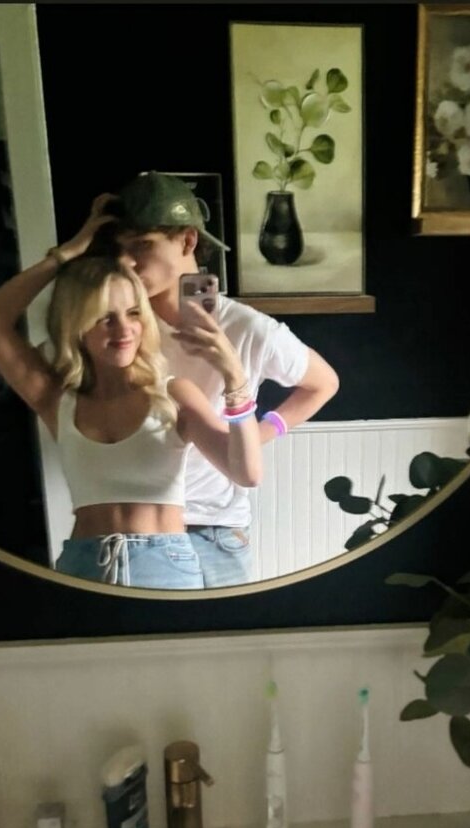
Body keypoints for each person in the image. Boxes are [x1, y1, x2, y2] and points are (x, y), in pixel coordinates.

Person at [0, 196, 262, 590]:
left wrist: (234, 379)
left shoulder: (175, 395)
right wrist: (67, 253)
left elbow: (246, 473)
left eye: (133, 314)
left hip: (167, 565)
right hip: (83, 566)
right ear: (78, 325)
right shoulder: (57, 399)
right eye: (104, 317)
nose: (124, 330)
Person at [111, 171, 340, 587]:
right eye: (120, 247)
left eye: (142, 245)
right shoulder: (119, 326)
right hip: (137, 524)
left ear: (187, 241)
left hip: (213, 529)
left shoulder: (247, 329)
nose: (127, 261)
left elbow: (323, 383)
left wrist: (261, 432)